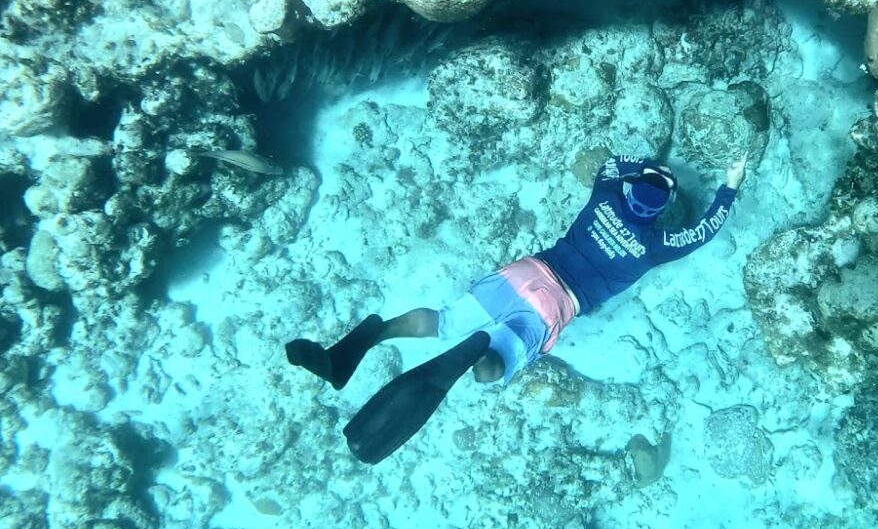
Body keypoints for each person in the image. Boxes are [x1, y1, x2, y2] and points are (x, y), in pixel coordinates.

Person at [286, 153, 747, 464]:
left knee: (443, 321)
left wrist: (647, 165)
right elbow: (703, 230)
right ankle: (475, 355)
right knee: (494, 368)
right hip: (555, 303)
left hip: (523, 273)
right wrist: (730, 186)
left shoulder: (605, 197)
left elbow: (609, 163)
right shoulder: (655, 245)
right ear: (662, 210)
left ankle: (364, 341)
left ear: (629, 193)